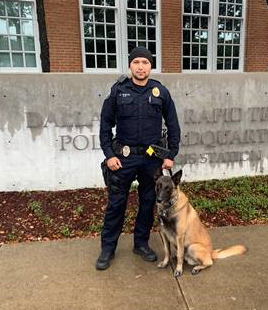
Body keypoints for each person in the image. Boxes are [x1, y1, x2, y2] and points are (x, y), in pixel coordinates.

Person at [96, 46, 181, 270]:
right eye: (136, 62)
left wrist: (170, 155)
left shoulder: (160, 92)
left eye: (145, 62)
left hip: (151, 159)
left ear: (150, 66)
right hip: (122, 158)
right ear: (130, 65)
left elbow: (173, 124)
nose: (141, 66)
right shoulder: (118, 91)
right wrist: (108, 155)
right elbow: (105, 125)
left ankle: (141, 244)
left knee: (147, 203)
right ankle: (108, 248)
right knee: (116, 204)